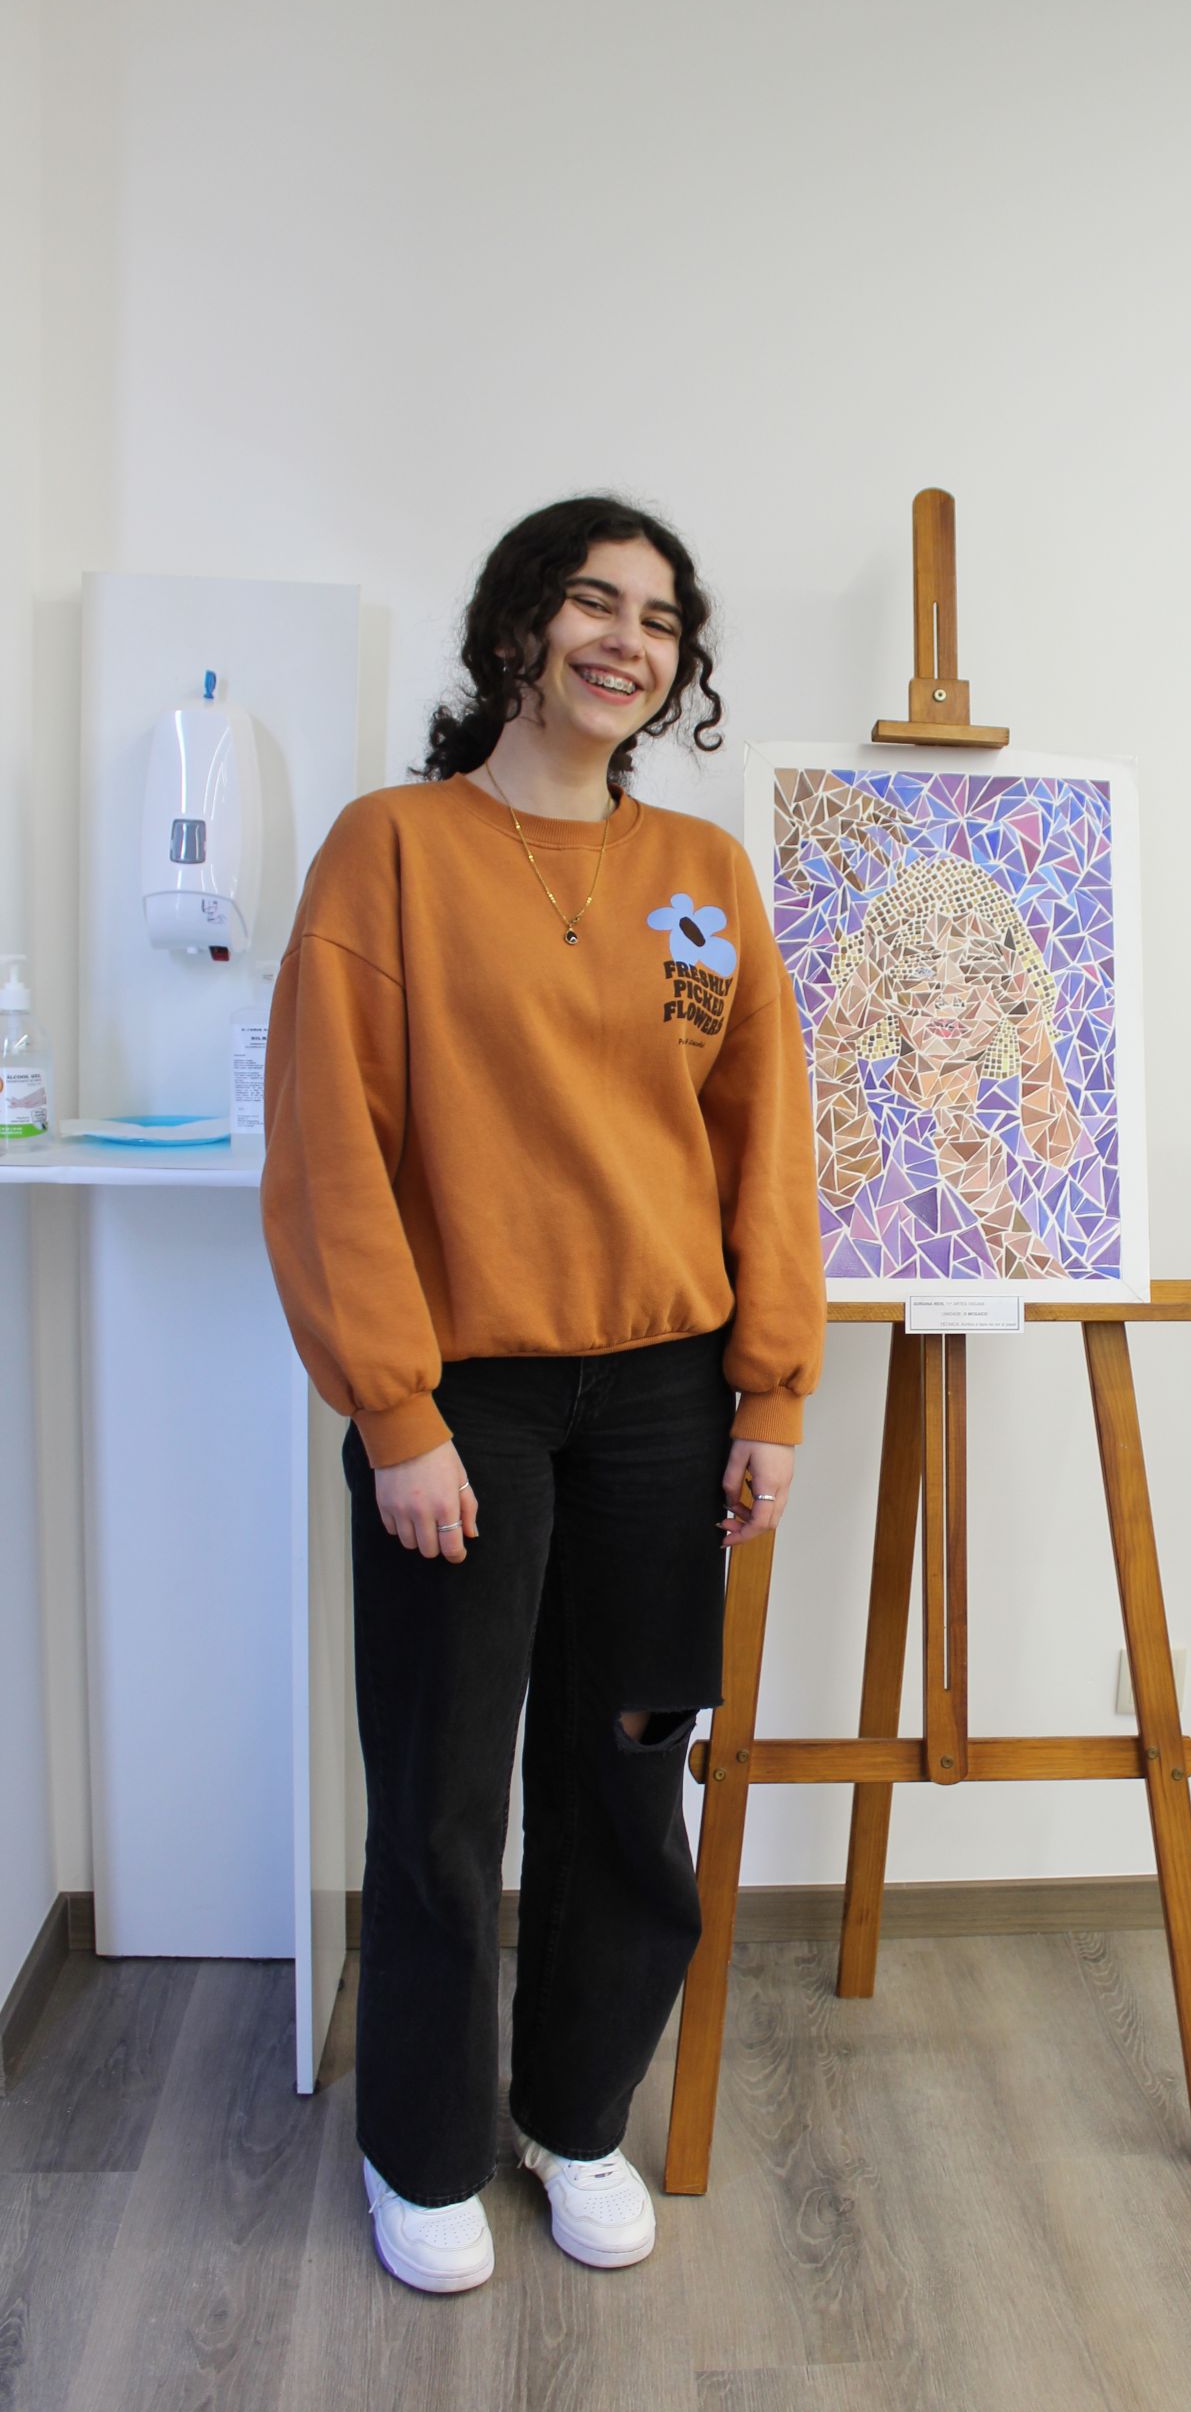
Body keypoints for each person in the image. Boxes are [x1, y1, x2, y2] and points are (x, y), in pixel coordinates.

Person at [261, 496, 824, 2294]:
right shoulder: (392, 851)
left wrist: (771, 1394)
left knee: (628, 1773)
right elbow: (329, 1147)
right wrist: (396, 1413)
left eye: (659, 618)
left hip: (666, 1398)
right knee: (442, 1793)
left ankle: (574, 2117)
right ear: (516, 624)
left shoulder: (702, 879)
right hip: (467, 1402)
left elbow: (762, 1142)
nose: (625, 640)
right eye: (593, 600)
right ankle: (422, 2154)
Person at [811, 852, 1086, 1274]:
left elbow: (1078, 1283)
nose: (951, 994)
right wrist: (835, 1040)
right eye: (922, 967)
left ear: (1010, 989)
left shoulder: (1020, 1123)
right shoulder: (872, 1110)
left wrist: (1031, 1026)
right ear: (881, 982)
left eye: (977, 969)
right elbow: (841, 1194)